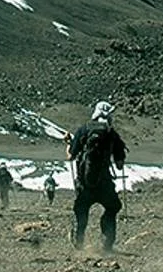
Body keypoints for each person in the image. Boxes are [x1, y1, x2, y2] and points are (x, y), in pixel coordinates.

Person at [67, 100, 127, 254]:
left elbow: (71, 156)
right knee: (113, 207)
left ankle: (79, 242)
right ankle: (107, 244)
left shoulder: (83, 130)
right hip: (104, 183)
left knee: (81, 210)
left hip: (85, 183)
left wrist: (69, 145)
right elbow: (120, 164)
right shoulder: (112, 134)